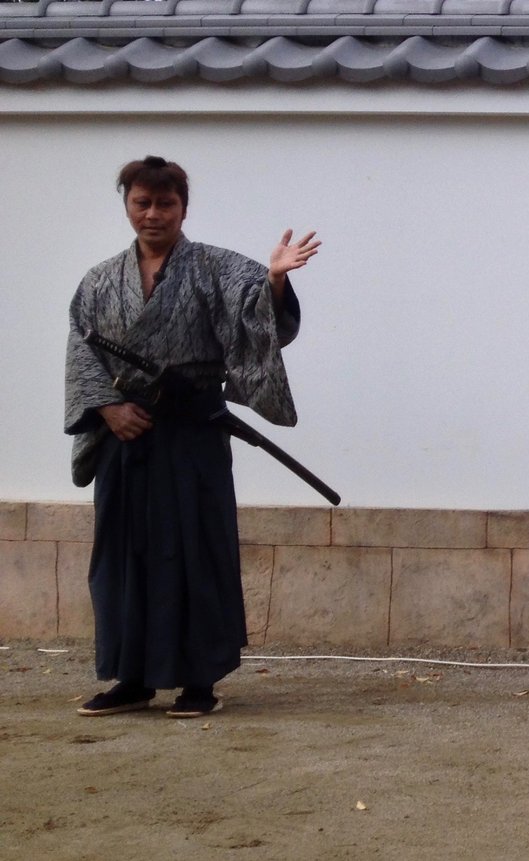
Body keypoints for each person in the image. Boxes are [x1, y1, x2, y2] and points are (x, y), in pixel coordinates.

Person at [65, 156, 321, 719]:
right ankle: (131, 677)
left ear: (183, 208)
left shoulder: (216, 269)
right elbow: (82, 349)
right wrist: (108, 409)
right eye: (142, 203)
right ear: (128, 205)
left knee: (195, 551)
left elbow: (260, 321)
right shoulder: (100, 281)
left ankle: (198, 681)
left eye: (165, 203)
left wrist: (274, 280)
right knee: (124, 554)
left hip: (192, 434)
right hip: (126, 440)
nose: (153, 214)